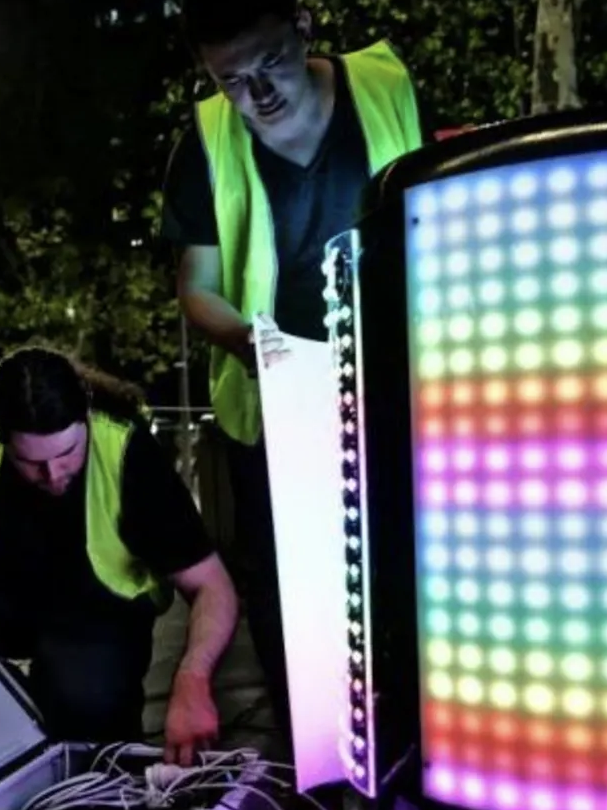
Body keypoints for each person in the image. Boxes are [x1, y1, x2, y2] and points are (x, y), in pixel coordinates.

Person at [160, 0, 425, 752]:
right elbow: (196, 287)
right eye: (233, 80)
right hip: (275, 403)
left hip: (400, 386)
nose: (259, 93)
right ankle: (315, 757)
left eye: (269, 64)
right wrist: (253, 341)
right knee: (292, 601)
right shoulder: (205, 143)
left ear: (304, 25)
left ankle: (411, 744)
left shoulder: (386, 86)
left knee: (405, 576)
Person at [0, 346, 238, 765]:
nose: (53, 476)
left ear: (85, 416)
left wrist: (193, 680)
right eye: (30, 462)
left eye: (67, 454)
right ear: (1, 436)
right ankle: (1, 753)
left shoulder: (129, 449)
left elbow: (212, 586)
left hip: (96, 611)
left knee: (88, 711)